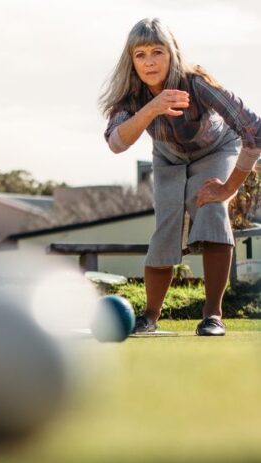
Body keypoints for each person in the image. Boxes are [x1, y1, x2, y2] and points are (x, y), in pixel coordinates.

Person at [100, 18, 260, 336]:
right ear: (131, 61)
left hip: (215, 150)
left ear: (171, 53)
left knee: (211, 209)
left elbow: (254, 132)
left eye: (157, 52)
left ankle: (213, 316)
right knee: (166, 227)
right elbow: (116, 143)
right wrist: (152, 108)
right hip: (169, 157)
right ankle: (149, 317)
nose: (149, 62)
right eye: (141, 54)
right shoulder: (131, 95)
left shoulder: (196, 83)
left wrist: (228, 188)